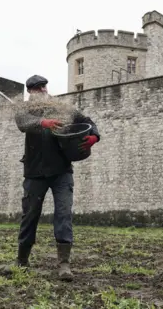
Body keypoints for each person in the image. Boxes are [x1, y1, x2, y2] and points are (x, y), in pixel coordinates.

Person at [13, 74, 100, 281]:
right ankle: (22, 260)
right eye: (36, 88)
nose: (41, 90)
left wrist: (94, 136)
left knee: (63, 214)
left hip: (62, 171)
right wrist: (44, 122)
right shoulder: (24, 109)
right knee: (30, 215)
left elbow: (86, 120)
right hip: (34, 173)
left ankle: (64, 265)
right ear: (30, 92)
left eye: (43, 86)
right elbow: (23, 123)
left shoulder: (60, 106)